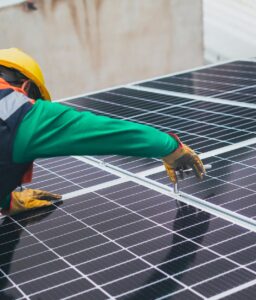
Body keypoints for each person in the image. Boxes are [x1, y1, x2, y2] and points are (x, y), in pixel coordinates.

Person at [0, 48, 205, 215]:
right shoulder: (21, 113)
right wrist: (171, 148)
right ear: (26, 87)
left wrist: (6, 200)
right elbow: (110, 133)